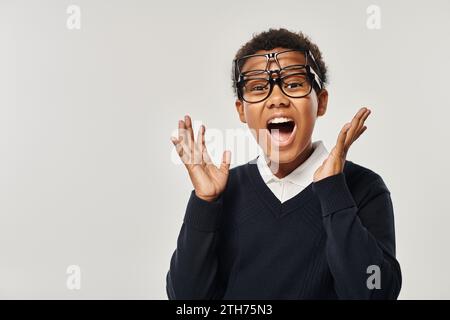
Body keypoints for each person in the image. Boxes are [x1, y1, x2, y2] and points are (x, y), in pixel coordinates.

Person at [167, 28, 402, 299]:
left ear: (321, 102)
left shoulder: (363, 187)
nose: (277, 99)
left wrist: (333, 191)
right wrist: (204, 203)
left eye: (293, 84)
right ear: (242, 110)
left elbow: (376, 293)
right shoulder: (222, 192)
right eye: (258, 88)